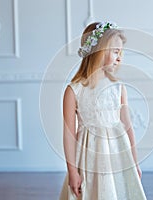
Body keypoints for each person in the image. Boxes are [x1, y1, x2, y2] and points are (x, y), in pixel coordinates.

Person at [60, 21, 147, 200]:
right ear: (99, 50)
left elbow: (128, 127)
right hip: (89, 158)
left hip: (117, 156)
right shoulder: (74, 90)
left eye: (121, 52)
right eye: (116, 51)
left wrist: (134, 163)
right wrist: (72, 172)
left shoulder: (118, 87)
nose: (120, 57)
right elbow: (69, 135)